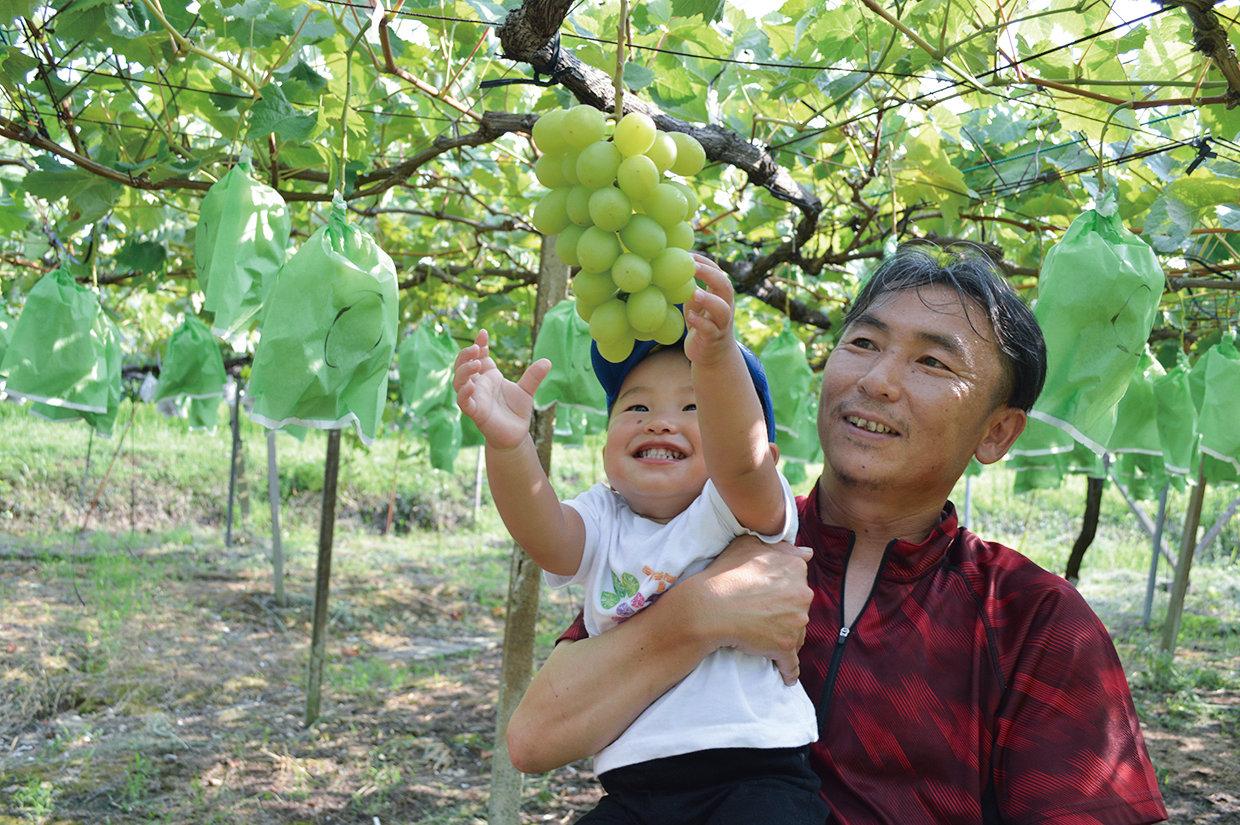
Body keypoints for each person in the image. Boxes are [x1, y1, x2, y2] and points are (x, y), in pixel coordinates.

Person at [507, 249, 1168, 825]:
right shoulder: (704, 537)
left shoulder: (1033, 621)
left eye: (933, 362)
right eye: (862, 344)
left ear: (997, 432)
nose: (876, 381)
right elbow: (536, 736)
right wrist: (702, 612)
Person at [453, 262, 828, 823]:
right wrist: (509, 445)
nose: (660, 422)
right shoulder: (605, 515)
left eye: (693, 406)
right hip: (636, 793)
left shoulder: (735, 509)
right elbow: (545, 536)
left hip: (755, 777)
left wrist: (720, 356)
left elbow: (742, 459)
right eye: (636, 407)